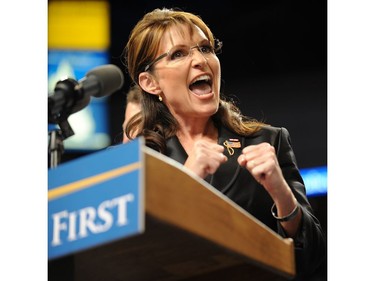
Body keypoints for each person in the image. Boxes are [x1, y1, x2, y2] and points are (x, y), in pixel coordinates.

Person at [122, 7, 326, 280]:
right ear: (150, 83)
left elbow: (312, 258)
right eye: (179, 54)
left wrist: (281, 193)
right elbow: (127, 260)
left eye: (205, 49)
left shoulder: (268, 141)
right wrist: (186, 179)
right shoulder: (136, 162)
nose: (200, 60)